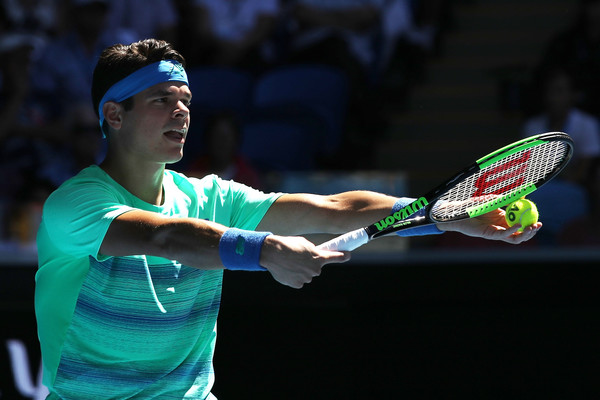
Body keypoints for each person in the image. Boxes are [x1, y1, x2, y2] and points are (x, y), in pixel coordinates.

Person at [35, 38, 542, 399]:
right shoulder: (73, 206)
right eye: (161, 100)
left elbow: (334, 208)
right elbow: (166, 237)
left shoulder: (211, 196)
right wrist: (265, 250)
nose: (182, 112)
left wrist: (444, 216)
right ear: (114, 115)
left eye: (186, 100)